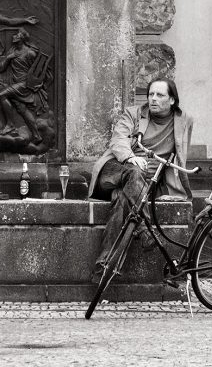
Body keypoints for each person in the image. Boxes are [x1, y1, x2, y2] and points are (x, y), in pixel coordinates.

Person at [88, 78, 194, 277]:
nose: (153, 99)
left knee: (122, 198)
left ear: (172, 100)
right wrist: (131, 157)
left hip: (142, 184)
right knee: (133, 173)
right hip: (114, 170)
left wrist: (174, 189)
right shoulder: (133, 113)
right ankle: (146, 230)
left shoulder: (184, 121)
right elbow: (118, 139)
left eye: (159, 95)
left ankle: (103, 266)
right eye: (151, 94)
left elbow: (180, 156)